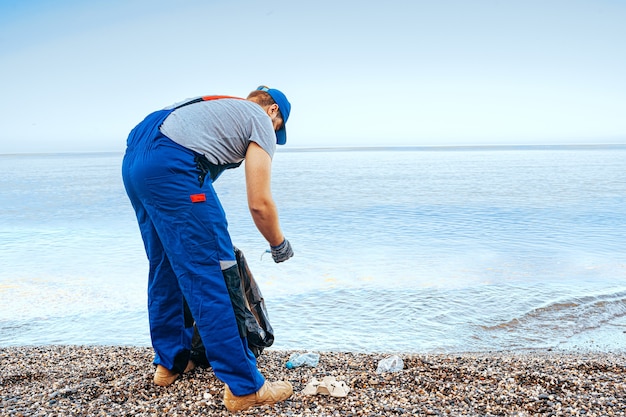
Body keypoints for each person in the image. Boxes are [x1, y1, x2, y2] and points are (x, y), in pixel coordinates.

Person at [121, 86, 295, 412]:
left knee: (166, 268)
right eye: (278, 128)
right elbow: (259, 203)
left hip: (136, 159)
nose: (274, 135)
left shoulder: (217, 107)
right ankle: (244, 386)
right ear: (273, 111)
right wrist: (278, 244)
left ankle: (171, 363)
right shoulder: (259, 119)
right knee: (214, 273)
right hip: (172, 163)